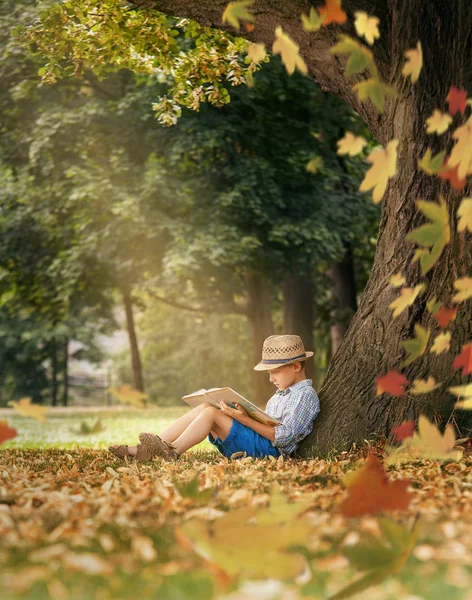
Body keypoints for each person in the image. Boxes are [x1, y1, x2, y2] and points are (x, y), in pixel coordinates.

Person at [108, 334, 321, 461]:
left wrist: (244, 419)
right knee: (204, 407)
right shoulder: (280, 395)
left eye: (275, 372)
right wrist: (244, 414)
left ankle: (171, 452)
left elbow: (283, 436)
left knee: (211, 413)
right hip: (259, 443)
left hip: (270, 452)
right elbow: (268, 421)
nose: (270, 379)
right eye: (269, 373)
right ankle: (152, 448)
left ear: (295, 366)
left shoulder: (304, 396)